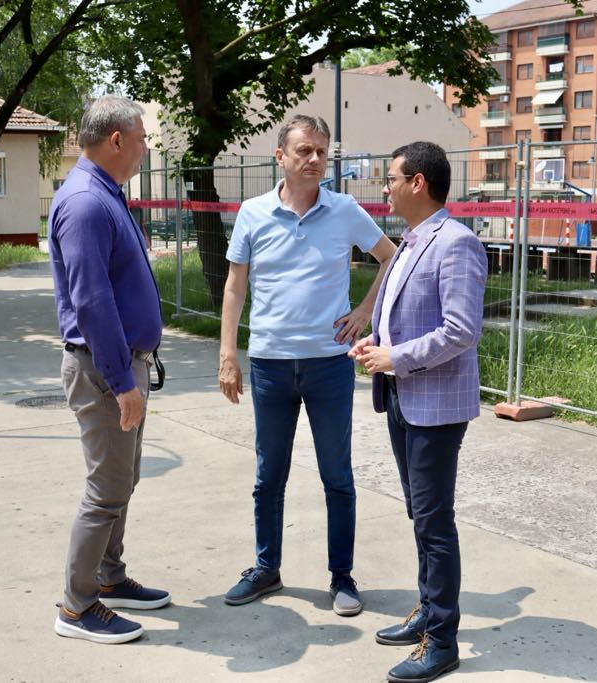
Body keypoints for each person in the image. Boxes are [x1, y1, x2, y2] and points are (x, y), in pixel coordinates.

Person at [218, 114, 396, 616]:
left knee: (337, 476)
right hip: (270, 365)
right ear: (281, 156)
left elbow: (391, 256)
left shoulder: (344, 210)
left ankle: (342, 577)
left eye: (322, 151)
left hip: (328, 366)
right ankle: (266, 568)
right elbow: (235, 285)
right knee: (268, 476)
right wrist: (228, 354)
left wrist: (365, 312)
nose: (315, 159)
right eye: (304, 150)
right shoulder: (252, 213)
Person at [350, 141, 487, 683]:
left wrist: (396, 357)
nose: (384, 187)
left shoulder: (456, 243)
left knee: (434, 523)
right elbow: (405, 316)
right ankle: (429, 611)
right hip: (402, 398)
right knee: (421, 515)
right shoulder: (410, 241)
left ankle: (443, 641)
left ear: (418, 183)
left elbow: (461, 330)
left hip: (435, 405)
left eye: (391, 178)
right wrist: (377, 344)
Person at [49, 96, 170, 644]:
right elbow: (92, 302)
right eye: (142, 138)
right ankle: (76, 607)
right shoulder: (86, 202)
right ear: (117, 139)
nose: (146, 147)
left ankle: (108, 576)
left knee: (123, 480)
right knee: (105, 491)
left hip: (120, 365)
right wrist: (123, 383)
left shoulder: (105, 193)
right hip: (104, 370)